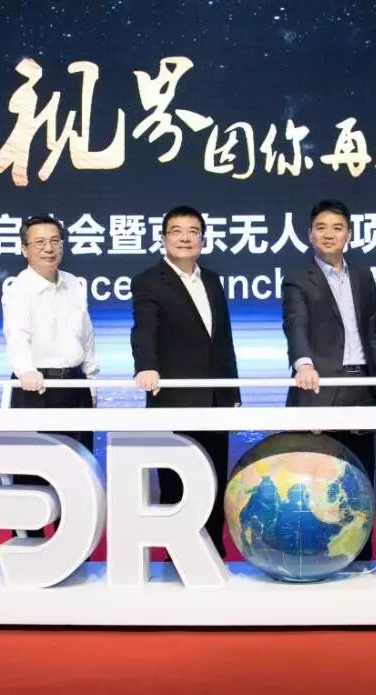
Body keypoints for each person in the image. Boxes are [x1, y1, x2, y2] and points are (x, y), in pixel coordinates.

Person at [130, 205, 240, 557]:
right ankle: (176, 556)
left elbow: (222, 341)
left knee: (214, 479)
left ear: (202, 239)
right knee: (177, 483)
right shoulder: (149, 281)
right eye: (176, 232)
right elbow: (144, 331)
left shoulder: (212, 280)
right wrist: (146, 367)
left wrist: (232, 391)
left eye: (193, 231)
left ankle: (213, 553)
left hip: (215, 400)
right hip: (173, 399)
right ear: (163, 239)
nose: (185, 238)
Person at [282, 198, 376, 562]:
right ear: (309, 234)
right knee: (317, 486)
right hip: (319, 387)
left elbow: (374, 330)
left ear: (349, 235)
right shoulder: (298, 277)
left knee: (362, 483)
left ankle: (361, 560)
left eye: (337, 228)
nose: (329, 234)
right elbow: (295, 323)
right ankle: (315, 563)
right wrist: (303, 363)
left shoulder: (363, 276)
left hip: (363, 389)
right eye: (322, 228)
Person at [2, 214, 98, 535]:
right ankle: (28, 546)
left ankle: (74, 546)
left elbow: (87, 335)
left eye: (55, 241)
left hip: (75, 385)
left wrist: (91, 379)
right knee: (32, 471)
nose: (49, 248)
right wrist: (26, 370)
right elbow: (17, 335)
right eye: (40, 242)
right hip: (35, 388)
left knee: (78, 470)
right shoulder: (19, 289)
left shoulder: (74, 284)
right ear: (24, 249)